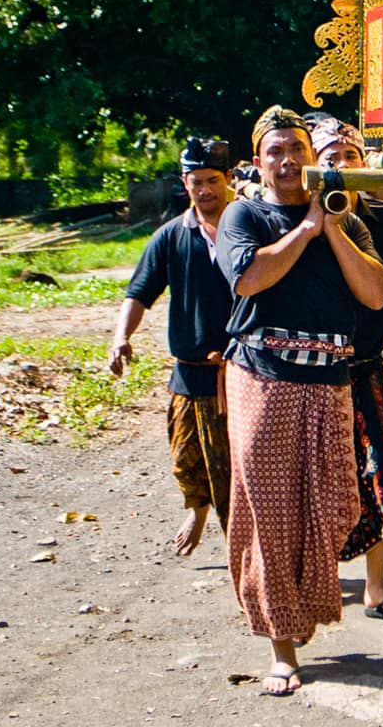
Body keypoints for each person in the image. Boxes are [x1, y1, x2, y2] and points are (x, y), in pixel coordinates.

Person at [216, 105, 383, 695]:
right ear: (260, 160)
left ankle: (302, 614)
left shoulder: (348, 215)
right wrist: (307, 230)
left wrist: (334, 227)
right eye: (275, 151)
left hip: (330, 381)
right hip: (263, 380)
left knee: (330, 508)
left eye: (297, 148)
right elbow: (248, 279)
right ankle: (281, 648)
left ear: (313, 156)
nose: (288, 160)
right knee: (270, 515)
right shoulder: (244, 213)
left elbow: (374, 294)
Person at [309, 117, 383, 622]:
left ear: (364, 161)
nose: (339, 165)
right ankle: (317, 582)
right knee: (316, 478)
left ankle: (375, 586)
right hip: (311, 370)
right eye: (328, 156)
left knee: (376, 472)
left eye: (348, 155)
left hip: (366, 366)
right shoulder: (299, 220)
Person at [107, 136, 235, 557]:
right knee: (185, 457)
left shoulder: (250, 226)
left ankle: (246, 556)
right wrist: (121, 337)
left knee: (234, 471)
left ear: (228, 178)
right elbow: (140, 292)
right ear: (185, 182)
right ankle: (195, 510)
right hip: (188, 369)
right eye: (197, 181)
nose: (206, 190)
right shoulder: (170, 236)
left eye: (213, 180)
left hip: (241, 372)